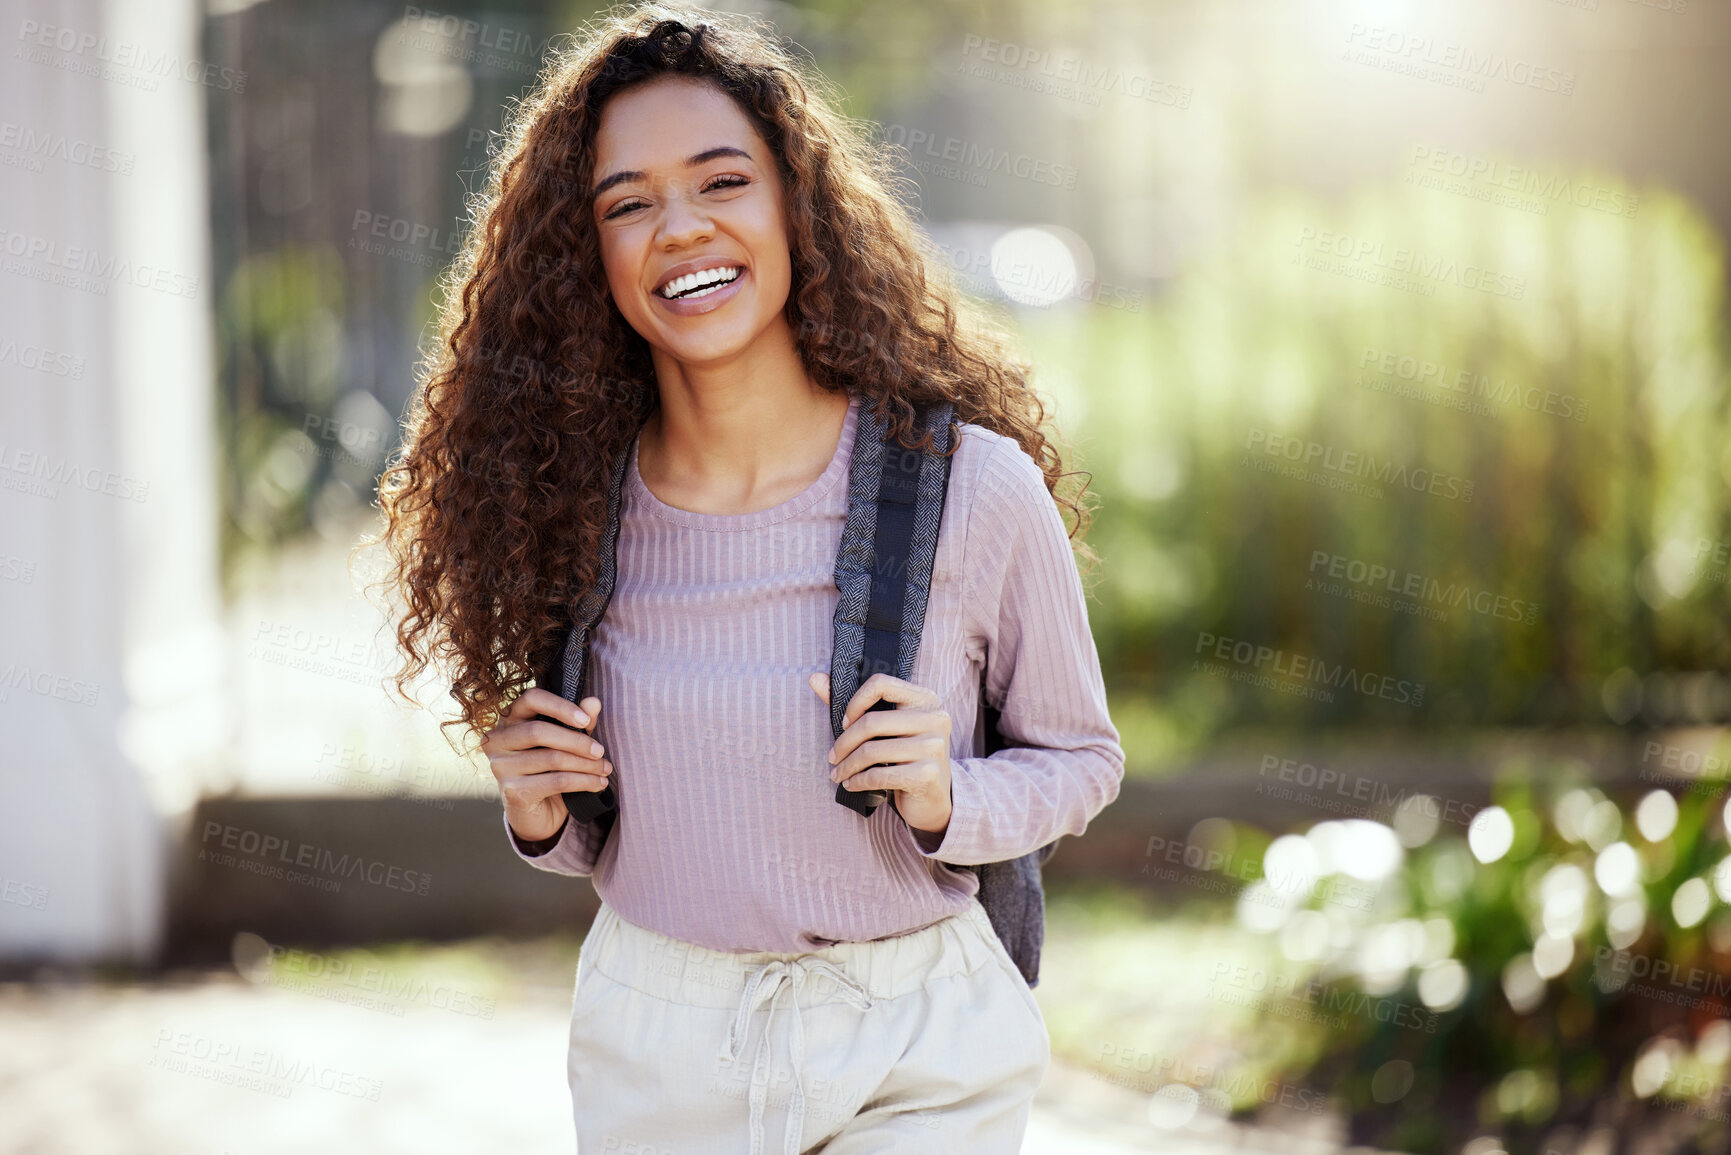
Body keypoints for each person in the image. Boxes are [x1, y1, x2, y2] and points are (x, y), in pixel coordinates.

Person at [373, 5, 1124, 1152]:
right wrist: (537, 807)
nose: (679, 227)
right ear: (591, 258)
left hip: (919, 1044)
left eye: (722, 181)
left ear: (793, 205)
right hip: (659, 1047)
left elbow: (1083, 760)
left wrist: (949, 799)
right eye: (627, 203)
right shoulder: (567, 510)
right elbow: (611, 838)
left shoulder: (969, 490)